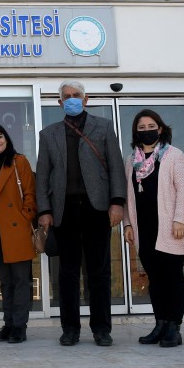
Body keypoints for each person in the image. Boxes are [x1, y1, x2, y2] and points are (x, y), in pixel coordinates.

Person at [36, 80, 126, 347]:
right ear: (60, 102)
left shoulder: (104, 127)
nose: (72, 99)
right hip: (64, 211)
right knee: (67, 273)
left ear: (85, 100)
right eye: (67, 96)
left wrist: (117, 202)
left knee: (99, 272)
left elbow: (116, 166)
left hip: (97, 208)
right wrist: (44, 210)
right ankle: (70, 329)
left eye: (77, 95)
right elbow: (42, 176)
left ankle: (102, 329)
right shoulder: (48, 134)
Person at [123, 109, 184, 348]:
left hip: (170, 228)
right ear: (136, 132)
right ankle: (160, 324)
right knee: (155, 278)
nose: (147, 131)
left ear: (160, 129)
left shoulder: (174, 155)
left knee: (172, 276)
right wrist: (128, 223)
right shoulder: (131, 160)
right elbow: (128, 196)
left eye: (151, 126)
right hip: (144, 229)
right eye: (141, 128)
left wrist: (180, 220)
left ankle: (174, 327)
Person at [0, 124, 36, 344]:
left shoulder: (19, 161)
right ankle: (9, 323)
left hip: (15, 230)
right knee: (5, 282)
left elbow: (30, 193)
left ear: (7, 139)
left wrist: (25, 218)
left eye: (0, 136)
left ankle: (19, 326)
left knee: (20, 281)